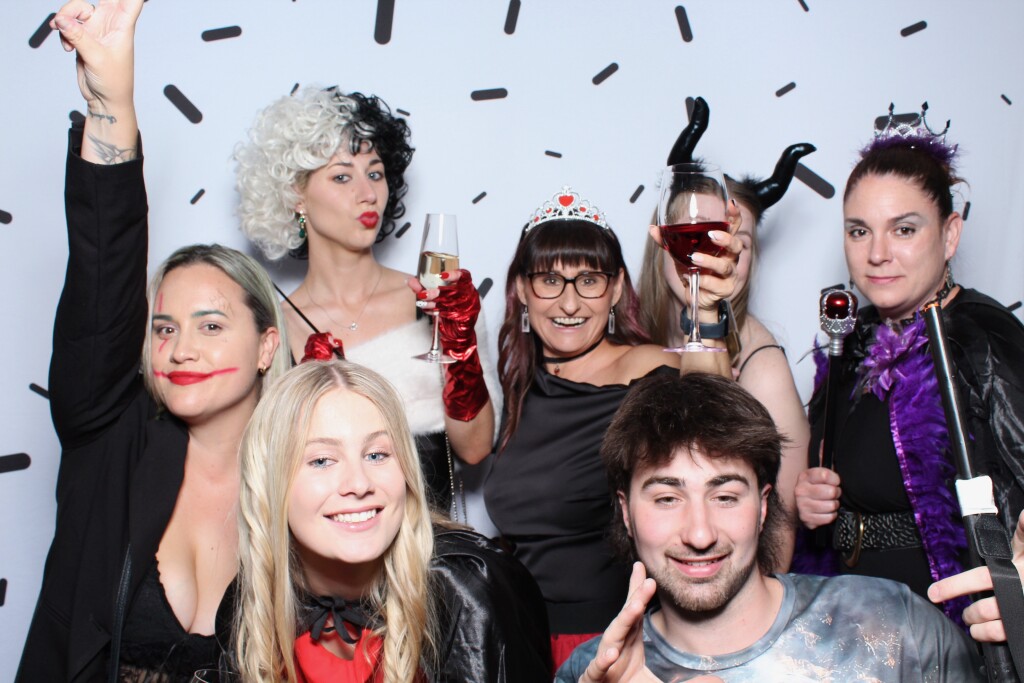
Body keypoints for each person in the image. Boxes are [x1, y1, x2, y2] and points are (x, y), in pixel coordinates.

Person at [17, 1, 288, 679]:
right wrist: (111, 104)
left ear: (266, 346)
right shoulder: (109, 435)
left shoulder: (299, 477)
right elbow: (103, 267)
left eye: (212, 325)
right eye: (164, 327)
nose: (181, 348)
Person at [556, 372, 982, 682]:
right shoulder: (596, 670)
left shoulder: (892, 623)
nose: (700, 535)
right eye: (667, 498)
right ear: (626, 512)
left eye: (725, 497)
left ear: (762, 506)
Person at [483, 186, 740, 667]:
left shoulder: (645, 367)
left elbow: (715, 418)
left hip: (607, 638)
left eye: (589, 280)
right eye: (550, 280)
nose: (569, 302)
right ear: (522, 290)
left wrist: (705, 312)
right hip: (516, 637)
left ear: (617, 288)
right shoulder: (520, 384)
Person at [793, 104, 1024, 622]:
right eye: (859, 231)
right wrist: (812, 503)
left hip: (952, 628)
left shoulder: (982, 336)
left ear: (949, 234)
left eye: (903, 229)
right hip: (848, 622)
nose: (877, 253)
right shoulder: (850, 339)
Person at [234, 83, 497, 514]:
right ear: (295, 194)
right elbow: (264, 474)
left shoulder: (437, 302)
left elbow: (475, 449)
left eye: (375, 174)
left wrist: (459, 346)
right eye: (342, 176)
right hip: (328, 545)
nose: (368, 193)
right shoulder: (275, 328)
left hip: (435, 543)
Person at [234, 359, 551, 682]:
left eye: (376, 455)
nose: (359, 484)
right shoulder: (251, 600)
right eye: (322, 460)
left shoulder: (468, 592)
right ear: (271, 481)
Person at [638, 102, 813, 565]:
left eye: (733, 242)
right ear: (663, 240)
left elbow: (780, 539)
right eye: (692, 234)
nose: (709, 254)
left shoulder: (762, 364)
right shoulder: (630, 334)